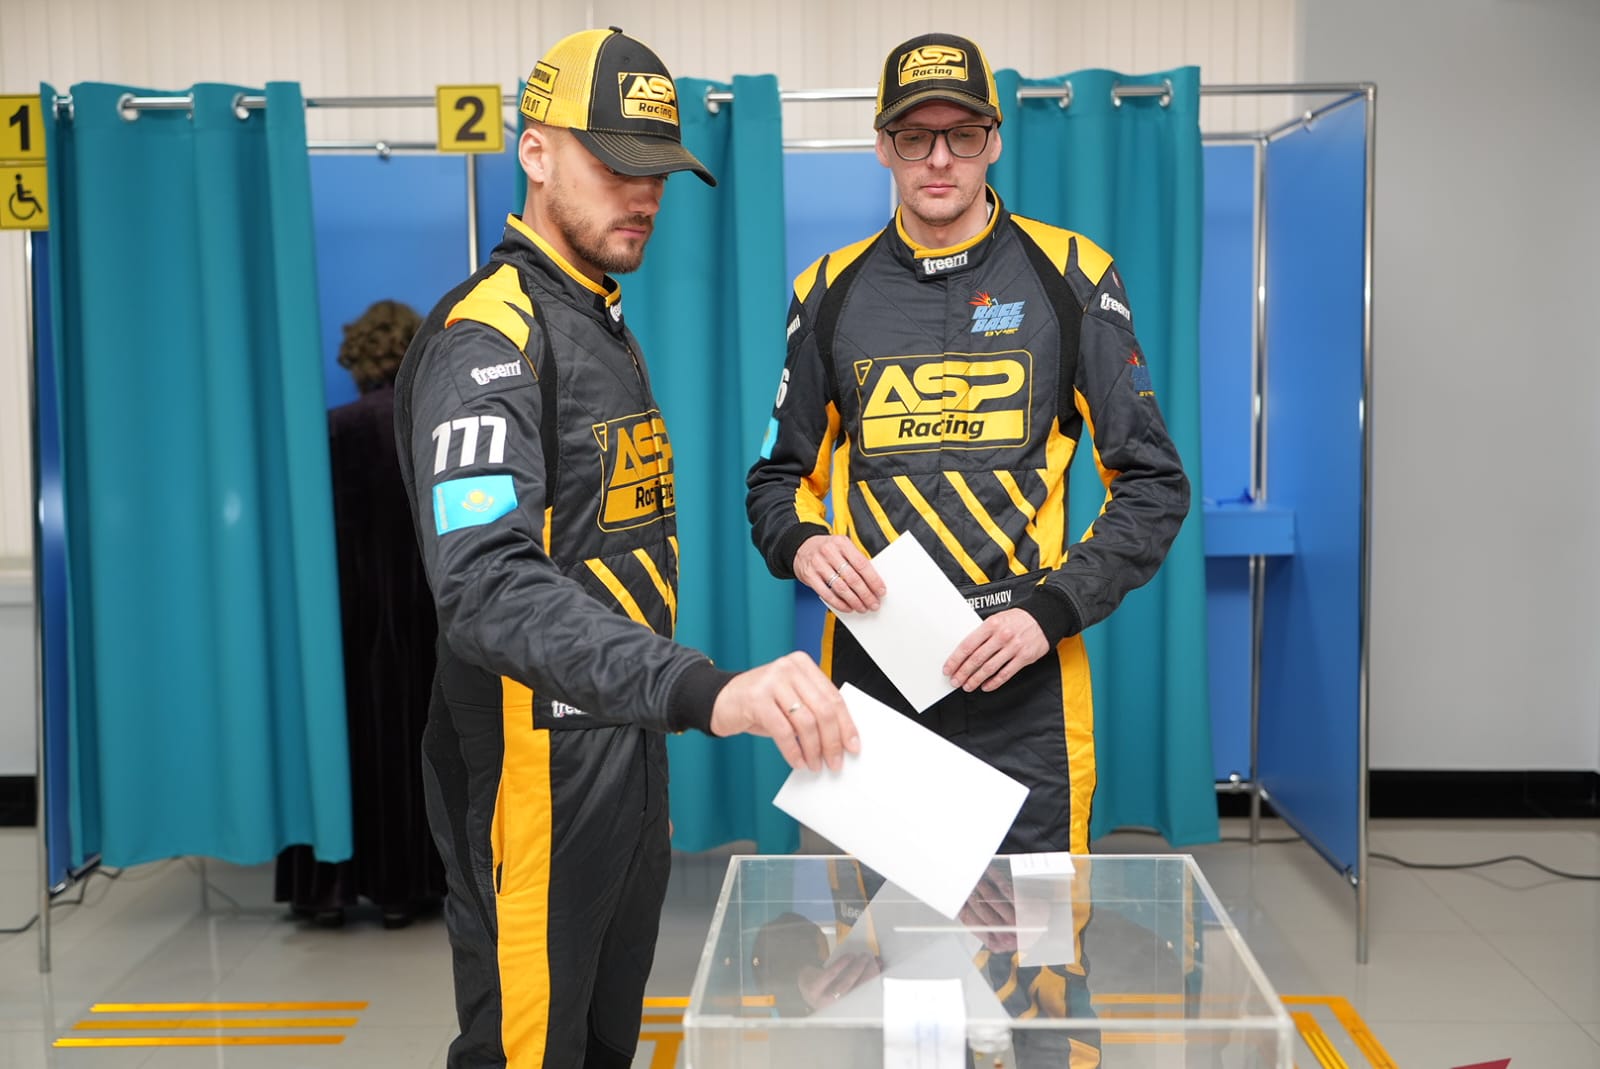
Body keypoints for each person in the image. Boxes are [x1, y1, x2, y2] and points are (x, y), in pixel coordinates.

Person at [393, 27, 858, 1069]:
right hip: (529, 763)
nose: (643, 192)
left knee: (608, 1040)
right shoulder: (491, 335)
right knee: (529, 1049)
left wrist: (653, 725)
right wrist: (704, 689)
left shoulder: (596, 320)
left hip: (622, 750)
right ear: (536, 150)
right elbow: (487, 586)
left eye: (658, 170)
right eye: (614, 162)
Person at [747, 30, 1190, 859]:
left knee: (1033, 931)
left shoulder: (1074, 274)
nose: (940, 159)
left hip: (1026, 671)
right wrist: (802, 542)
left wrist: (1051, 612)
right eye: (915, 137)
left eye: (963, 134)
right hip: (877, 668)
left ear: (995, 140)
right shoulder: (827, 290)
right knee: (879, 935)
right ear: (883, 146)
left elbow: (1153, 483)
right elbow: (776, 481)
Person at [275, 298, 445, 930]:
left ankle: (329, 889)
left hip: (342, 608)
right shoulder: (432, 429)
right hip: (422, 610)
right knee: (415, 739)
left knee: (340, 738)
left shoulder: (328, 431)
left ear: (355, 358)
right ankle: (406, 889)